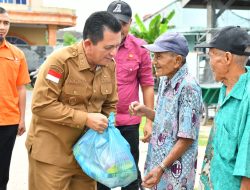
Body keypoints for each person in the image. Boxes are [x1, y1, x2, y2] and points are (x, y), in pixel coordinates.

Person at [25, 11, 121, 190]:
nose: (114, 53)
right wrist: (85, 119)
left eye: (117, 46)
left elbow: (110, 103)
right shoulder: (60, 62)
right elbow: (41, 105)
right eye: (108, 47)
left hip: (86, 157)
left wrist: (107, 123)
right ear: (88, 44)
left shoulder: (110, 66)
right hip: (52, 155)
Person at [129, 32, 203, 189]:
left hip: (175, 176)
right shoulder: (165, 80)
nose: (153, 61)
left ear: (177, 60)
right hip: (159, 168)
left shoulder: (188, 87)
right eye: (153, 56)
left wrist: (161, 168)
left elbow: (186, 137)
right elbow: (169, 123)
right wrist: (146, 112)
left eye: (158, 57)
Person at [97, 1, 154, 190]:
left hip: (129, 122)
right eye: (113, 22)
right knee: (101, 175)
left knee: (129, 175)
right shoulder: (97, 45)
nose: (118, 28)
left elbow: (147, 85)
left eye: (123, 24)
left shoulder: (140, 48)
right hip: (101, 121)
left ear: (130, 23)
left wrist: (149, 121)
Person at [196, 26, 250, 190]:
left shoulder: (247, 98)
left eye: (211, 56)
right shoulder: (225, 87)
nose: (209, 62)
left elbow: (247, 166)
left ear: (227, 58)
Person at [0, 7, 30, 190]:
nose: (2, 26)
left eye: (6, 23)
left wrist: (21, 119)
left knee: (2, 170)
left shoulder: (17, 55)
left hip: (8, 122)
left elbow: (21, 88)